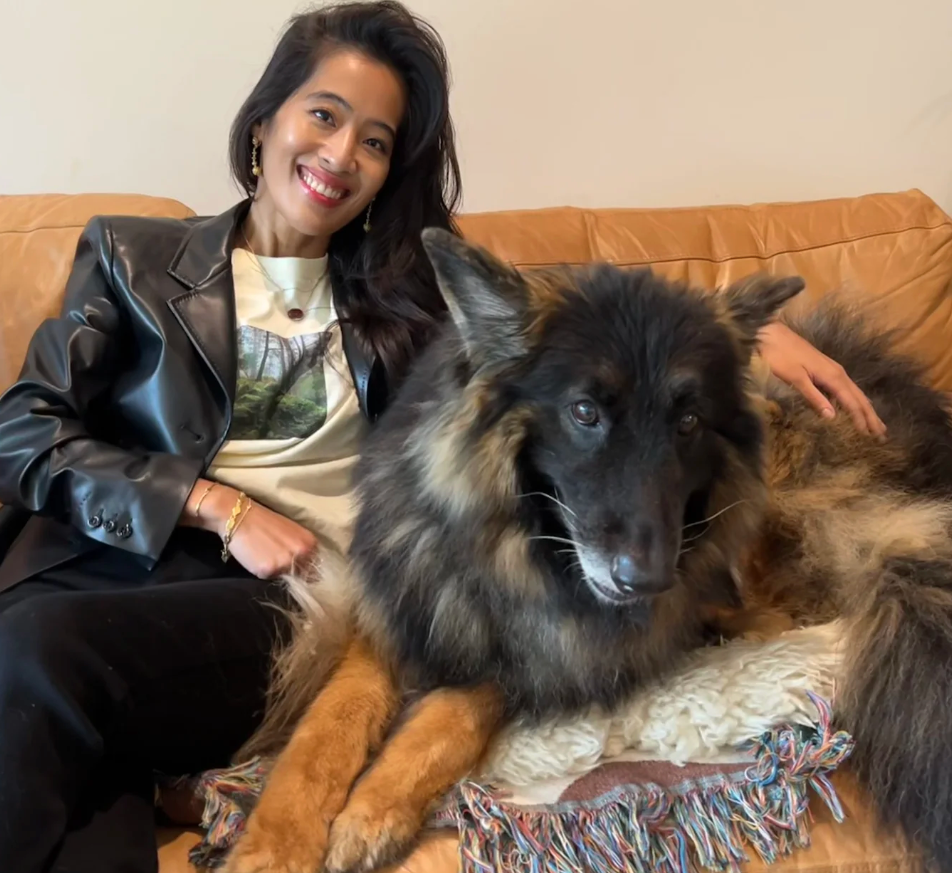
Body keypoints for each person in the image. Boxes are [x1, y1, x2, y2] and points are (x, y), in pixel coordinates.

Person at [0, 2, 885, 871]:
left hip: (288, 591)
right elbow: (22, 429)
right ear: (265, 118)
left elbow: (572, 325)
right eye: (324, 115)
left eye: (376, 141)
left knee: (44, 657)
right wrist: (213, 505)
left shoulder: (411, 292)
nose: (342, 154)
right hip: (115, 560)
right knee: (63, 711)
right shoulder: (129, 255)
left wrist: (738, 330)